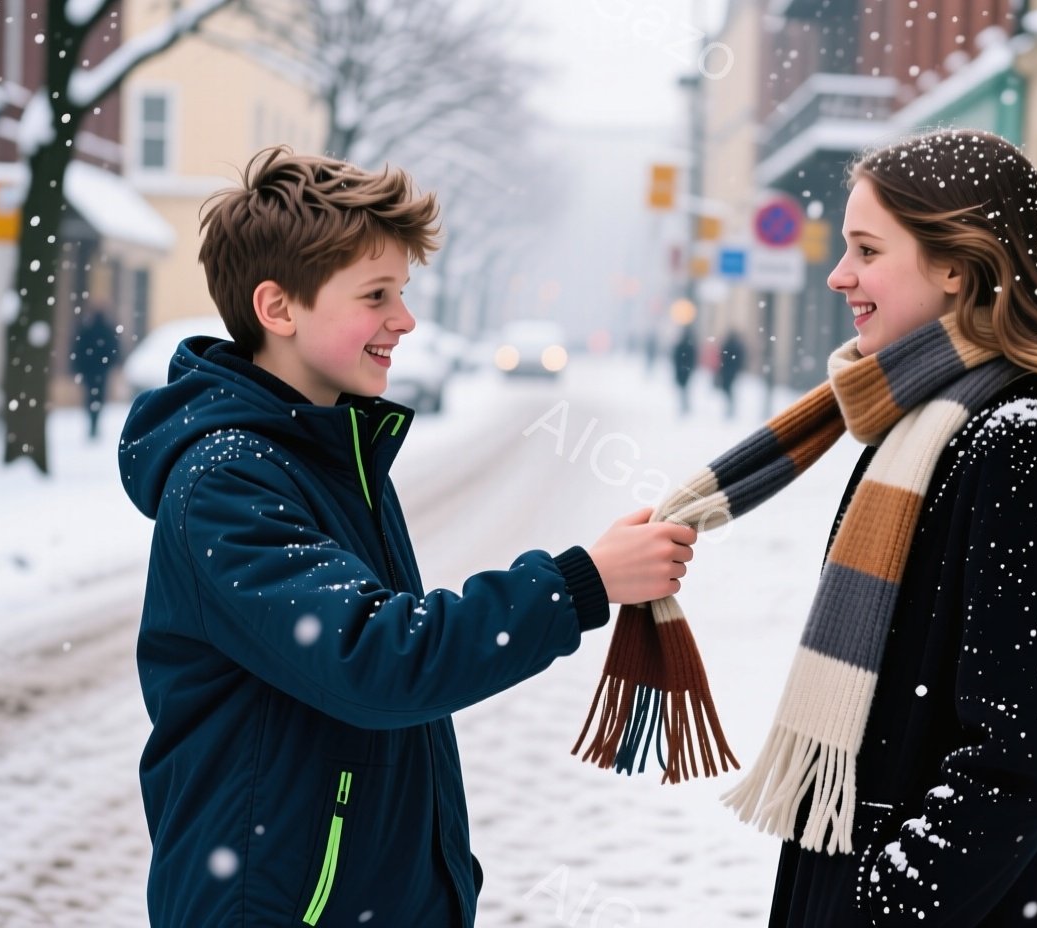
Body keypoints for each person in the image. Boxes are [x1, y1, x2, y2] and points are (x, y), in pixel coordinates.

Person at [576, 128, 1037, 927]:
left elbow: (1015, 766)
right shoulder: (917, 428)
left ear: (956, 264)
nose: (839, 273)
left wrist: (875, 902)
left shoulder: (1016, 447)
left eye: (866, 249)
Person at [116, 145, 696, 927]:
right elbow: (377, 658)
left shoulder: (327, 450)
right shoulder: (228, 481)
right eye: (376, 294)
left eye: (403, 291)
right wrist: (580, 581)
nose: (405, 319)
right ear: (277, 308)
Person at [71, 307, 117, 440]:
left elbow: (78, 350)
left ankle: (93, 423)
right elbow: (113, 350)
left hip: (89, 371)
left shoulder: (86, 331)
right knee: (98, 398)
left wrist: (79, 366)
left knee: (90, 397)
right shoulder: (106, 331)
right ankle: (94, 423)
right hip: (100, 372)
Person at [715, 329, 746, 420]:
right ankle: (730, 406)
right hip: (730, 370)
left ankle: (730, 407)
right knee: (728, 388)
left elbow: (723, 356)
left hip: (728, 370)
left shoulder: (730, 345)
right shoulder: (736, 346)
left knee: (727, 388)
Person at [672, 325, 697, 416]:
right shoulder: (690, 346)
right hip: (686, 370)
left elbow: (675, 358)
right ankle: (685, 405)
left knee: (683, 388)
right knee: (685, 388)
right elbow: (692, 359)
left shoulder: (681, 345)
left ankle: (684, 404)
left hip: (682, 370)